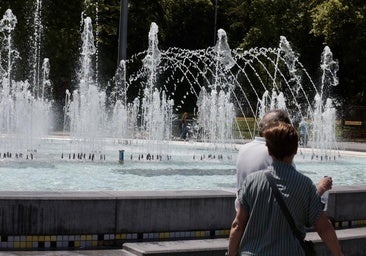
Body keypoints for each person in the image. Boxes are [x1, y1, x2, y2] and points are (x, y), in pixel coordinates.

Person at [227, 122, 343, 256]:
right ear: (295, 149)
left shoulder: (251, 181)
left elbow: (238, 224)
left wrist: (231, 253)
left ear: (269, 151)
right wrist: (338, 254)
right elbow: (324, 227)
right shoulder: (305, 184)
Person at [236, 110, 331, 210]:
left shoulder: (244, 149)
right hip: (270, 217)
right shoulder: (275, 151)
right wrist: (321, 189)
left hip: (244, 214)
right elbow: (293, 197)